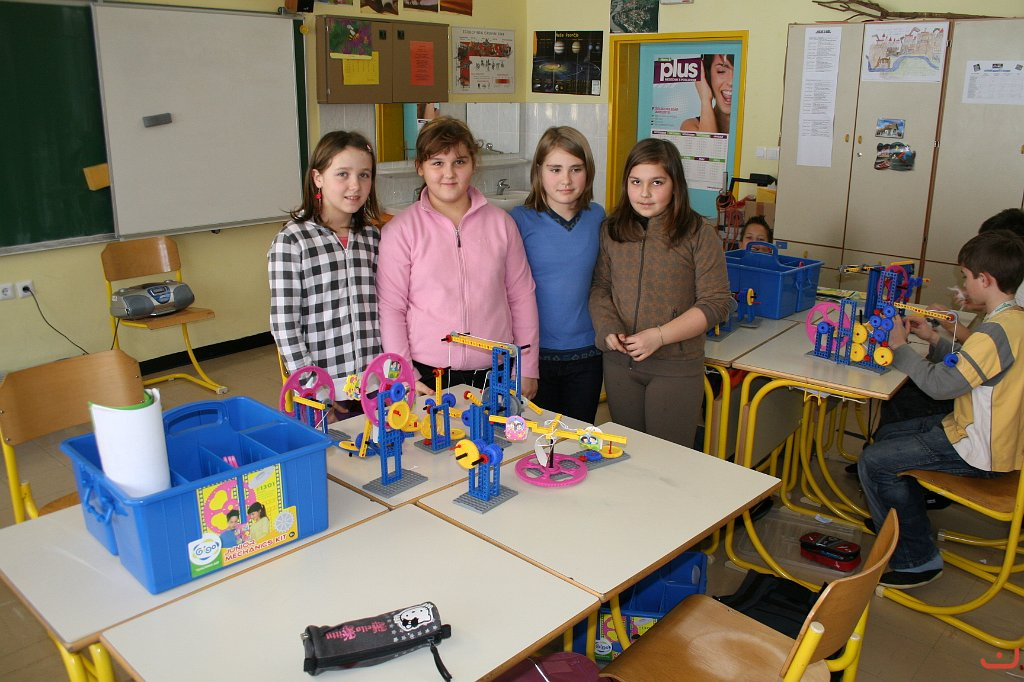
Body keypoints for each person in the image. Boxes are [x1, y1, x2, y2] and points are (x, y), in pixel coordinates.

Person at [858, 230, 1024, 588]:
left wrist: (900, 348)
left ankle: (916, 559)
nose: (963, 285)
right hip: (986, 433)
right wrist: (934, 338)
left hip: (981, 448)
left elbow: (940, 386)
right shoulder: (1013, 321)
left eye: (966, 277)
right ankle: (903, 520)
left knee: (874, 462)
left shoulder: (994, 332)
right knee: (889, 435)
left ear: (985, 279)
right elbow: (973, 367)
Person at [377, 116, 540, 399]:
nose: (449, 173)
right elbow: (391, 308)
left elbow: (522, 296)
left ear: (474, 164)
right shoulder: (400, 231)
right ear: (420, 167)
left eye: (459, 162)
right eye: (437, 163)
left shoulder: (502, 224)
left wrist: (527, 367)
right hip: (427, 374)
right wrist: (404, 375)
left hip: (496, 370)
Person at [589, 138, 733, 447]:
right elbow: (601, 286)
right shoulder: (612, 229)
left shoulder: (699, 234)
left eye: (657, 182)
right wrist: (607, 327)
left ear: (675, 184)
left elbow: (716, 303)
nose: (644, 193)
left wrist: (659, 336)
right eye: (636, 182)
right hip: (619, 365)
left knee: (668, 461)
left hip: (675, 368)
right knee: (627, 455)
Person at [268, 130, 383, 419]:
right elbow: (284, 324)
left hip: (374, 384)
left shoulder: (372, 237)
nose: (355, 185)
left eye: (364, 175)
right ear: (318, 178)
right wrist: (314, 389)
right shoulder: (292, 240)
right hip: (324, 390)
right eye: (342, 174)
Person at [510, 127, 604, 423]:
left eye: (576, 169)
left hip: (587, 355)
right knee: (537, 442)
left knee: (579, 438)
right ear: (539, 171)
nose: (566, 180)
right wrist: (523, 362)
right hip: (535, 358)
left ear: (588, 172)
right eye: (555, 169)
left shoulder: (597, 216)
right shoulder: (519, 220)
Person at [681, 54, 734, 134]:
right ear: (707, 74)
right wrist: (705, 99)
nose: (731, 82)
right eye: (721, 71)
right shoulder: (691, 126)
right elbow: (708, 142)